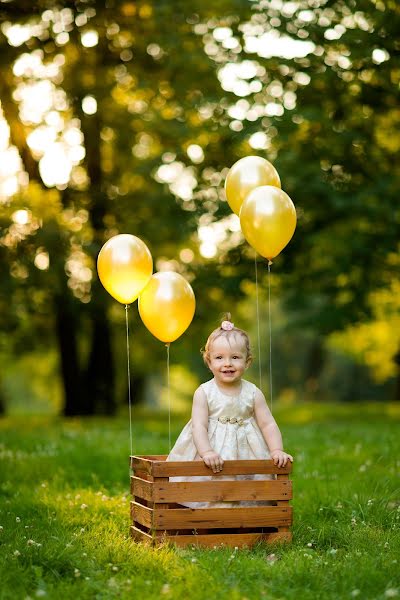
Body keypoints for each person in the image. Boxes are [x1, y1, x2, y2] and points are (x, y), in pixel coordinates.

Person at [167, 314, 293, 507]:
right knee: (212, 485)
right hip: (212, 448)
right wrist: (207, 451)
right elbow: (199, 426)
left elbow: (267, 423)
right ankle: (209, 516)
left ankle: (245, 518)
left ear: (247, 362)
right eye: (219, 358)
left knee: (248, 487)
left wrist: (276, 450)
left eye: (235, 357)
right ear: (209, 362)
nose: (227, 363)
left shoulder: (253, 392)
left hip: (246, 449)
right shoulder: (204, 392)